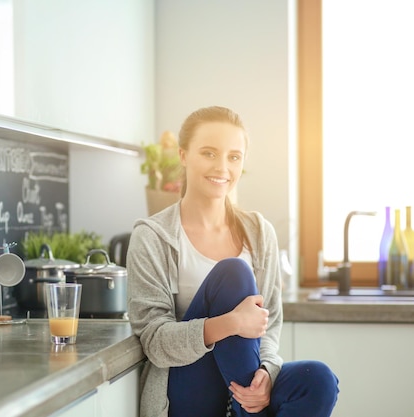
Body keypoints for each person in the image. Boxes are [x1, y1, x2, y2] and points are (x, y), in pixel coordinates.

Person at [126, 106, 339, 417]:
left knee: (318, 379)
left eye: (234, 157)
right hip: (186, 385)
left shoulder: (258, 232)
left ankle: (249, 405)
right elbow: (155, 342)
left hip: (246, 385)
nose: (222, 167)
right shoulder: (152, 236)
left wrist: (266, 372)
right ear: (183, 155)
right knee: (233, 273)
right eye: (209, 153)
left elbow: (271, 324)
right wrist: (230, 323)